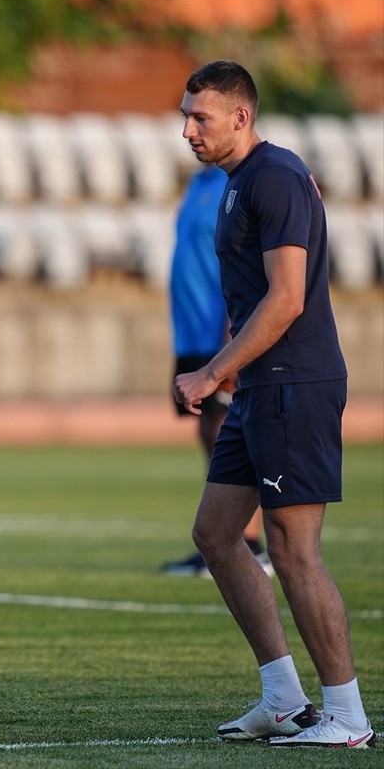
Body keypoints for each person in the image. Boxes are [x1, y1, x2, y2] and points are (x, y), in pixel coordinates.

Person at [174, 60, 374, 749]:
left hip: (295, 383)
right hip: (260, 385)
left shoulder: (277, 176)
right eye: (186, 116)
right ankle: (284, 700)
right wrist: (232, 367)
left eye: (200, 117)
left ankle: (348, 717)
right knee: (217, 536)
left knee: (293, 551)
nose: (188, 130)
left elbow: (287, 300)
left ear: (241, 116)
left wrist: (210, 374)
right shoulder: (236, 185)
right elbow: (254, 296)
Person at [162, 164, 271, 578]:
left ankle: (249, 544)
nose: (191, 132)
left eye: (201, 120)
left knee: (229, 429)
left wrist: (234, 330)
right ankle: (224, 538)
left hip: (219, 332)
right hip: (191, 332)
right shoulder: (199, 181)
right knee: (209, 429)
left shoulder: (238, 182)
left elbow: (246, 262)